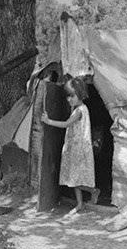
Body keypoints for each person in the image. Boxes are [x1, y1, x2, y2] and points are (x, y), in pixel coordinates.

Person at [41, 77, 96, 217]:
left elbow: (66, 124)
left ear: (80, 94)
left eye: (72, 96)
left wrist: (48, 121)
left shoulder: (80, 111)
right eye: (68, 96)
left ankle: (93, 191)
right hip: (74, 148)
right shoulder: (78, 109)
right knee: (73, 177)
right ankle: (79, 203)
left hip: (79, 149)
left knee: (76, 178)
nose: (69, 99)